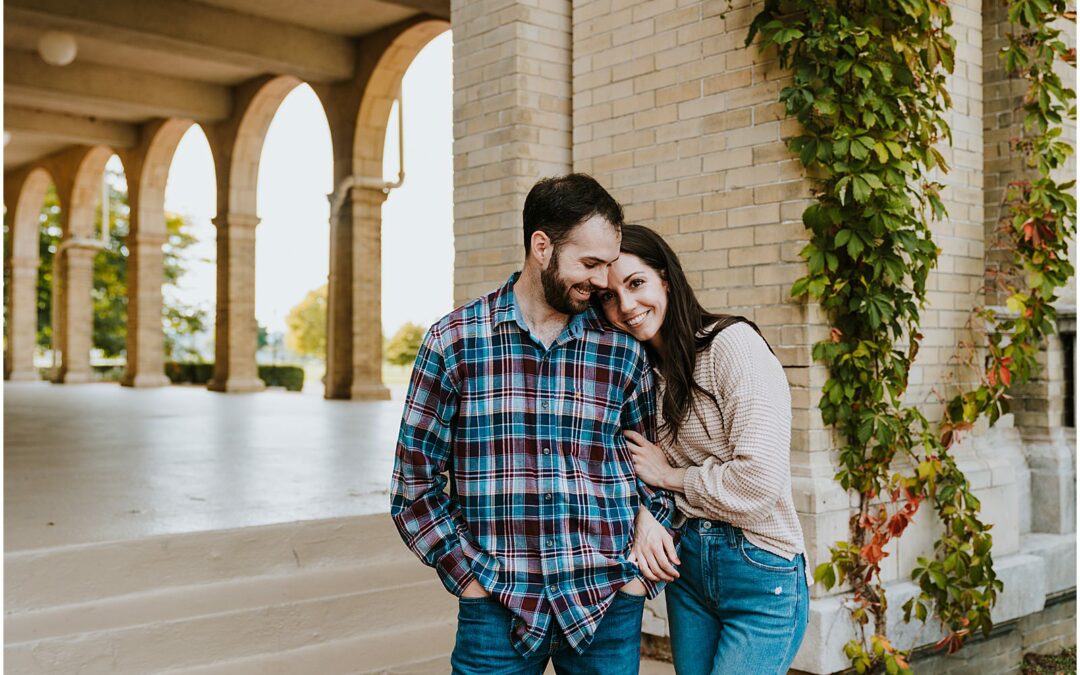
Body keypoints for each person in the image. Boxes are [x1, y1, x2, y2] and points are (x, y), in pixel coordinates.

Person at [390, 175, 676, 674]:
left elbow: (655, 465)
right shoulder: (453, 342)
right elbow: (413, 487)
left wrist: (637, 576)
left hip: (605, 604)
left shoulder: (622, 351)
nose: (604, 282)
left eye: (609, 264)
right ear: (541, 247)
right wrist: (469, 580)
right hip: (496, 607)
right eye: (590, 264)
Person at [595, 224, 809, 674]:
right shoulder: (638, 374)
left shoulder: (732, 345)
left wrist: (671, 477)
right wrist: (644, 513)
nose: (626, 306)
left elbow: (758, 481)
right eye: (609, 296)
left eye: (636, 283)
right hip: (688, 571)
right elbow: (618, 469)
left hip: (759, 568)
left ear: (665, 280)